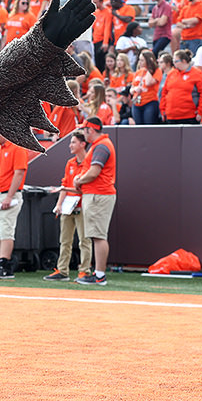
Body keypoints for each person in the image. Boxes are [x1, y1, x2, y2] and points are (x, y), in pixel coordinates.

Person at [73, 117, 116, 286]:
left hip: (99, 194)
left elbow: (94, 172)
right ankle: (98, 274)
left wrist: (79, 180)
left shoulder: (101, 146)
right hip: (96, 194)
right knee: (97, 236)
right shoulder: (100, 145)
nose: (83, 133)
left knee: (98, 236)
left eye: (84, 130)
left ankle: (99, 275)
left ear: (90, 130)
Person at [44, 130, 92, 281]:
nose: (70, 145)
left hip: (83, 206)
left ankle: (85, 271)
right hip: (68, 207)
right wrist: (59, 205)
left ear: (82, 144)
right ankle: (62, 270)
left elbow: (81, 188)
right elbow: (65, 185)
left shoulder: (90, 162)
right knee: (64, 241)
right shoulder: (70, 163)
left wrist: (64, 189)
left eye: (73, 142)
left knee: (85, 240)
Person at [0, 125, 28, 280]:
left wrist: (9, 196)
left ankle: (5, 266)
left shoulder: (17, 147)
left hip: (7, 195)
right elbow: (0, 172)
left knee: (6, 232)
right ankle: (1, 265)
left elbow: (19, 173)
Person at [160, 49, 202, 124]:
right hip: (171, 115)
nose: (173, 64)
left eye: (175, 61)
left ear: (183, 61)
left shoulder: (197, 74)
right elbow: (164, 93)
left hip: (189, 115)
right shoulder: (171, 74)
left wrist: (200, 111)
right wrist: (163, 109)